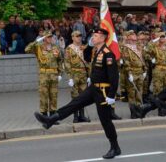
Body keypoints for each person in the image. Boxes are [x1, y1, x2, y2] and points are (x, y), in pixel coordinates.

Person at [34, 27, 121, 159]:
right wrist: (89, 46)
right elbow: (85, 58)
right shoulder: (96, 50)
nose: (93, 38)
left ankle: (115, 147)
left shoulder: (108, 54)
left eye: (96, 36)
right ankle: (51, 119)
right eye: (93, 36)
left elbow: (114, 77)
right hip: (93, 88)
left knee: (105, 120)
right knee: (75, 103)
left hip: (103, 91)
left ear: (103, 38)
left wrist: (111, 95)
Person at [25, 31, 63, 119]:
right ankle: (44, 116)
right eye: (48, 37)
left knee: (53, 95)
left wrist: (60, 74)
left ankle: (53, 116)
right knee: (44, 95)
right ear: (44, 38)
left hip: (54, 74)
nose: (50, 38)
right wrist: (37, 41)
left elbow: (60, 61)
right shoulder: (39, 47)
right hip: (44, 75)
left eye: (51, 37)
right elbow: (27, 49)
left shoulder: (55, 48)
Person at [64, 30, 91, 123]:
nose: (79, 37)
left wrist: (89, 75)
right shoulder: (69, 49)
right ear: (72, 38)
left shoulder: (83, 47)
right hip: (74, 74)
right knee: (75, 97)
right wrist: (69, 77)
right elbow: (67, 63)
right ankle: (75, 116)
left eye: (80, 36)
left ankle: (82, 116)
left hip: (83, 74)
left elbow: (88, 61)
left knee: (83, 96)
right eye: (77, 36)